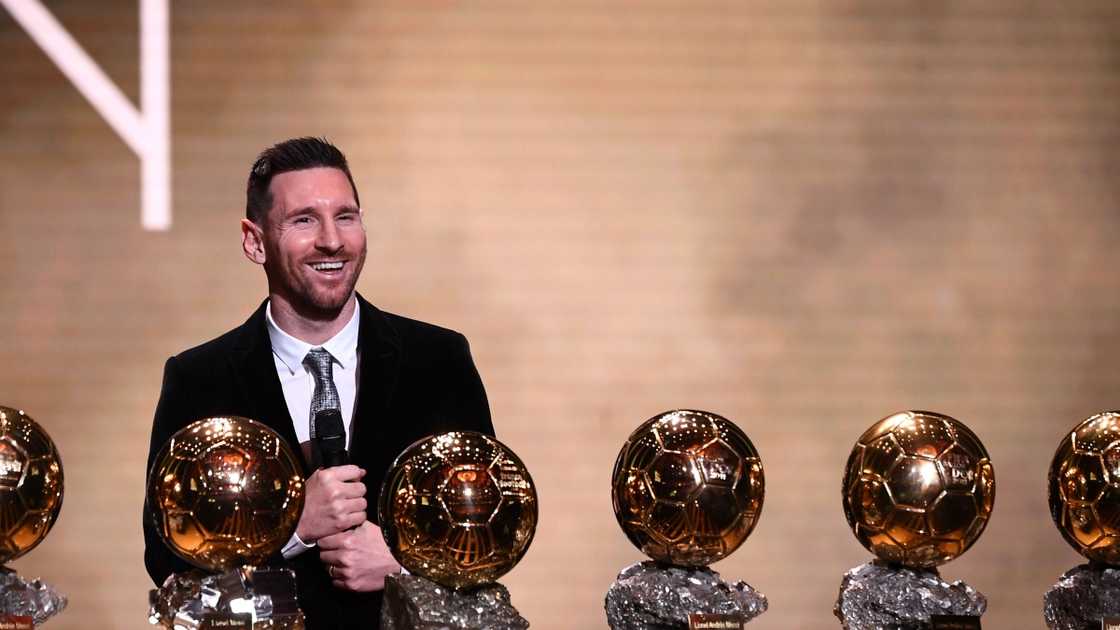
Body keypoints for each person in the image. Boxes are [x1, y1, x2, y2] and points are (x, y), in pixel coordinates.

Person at [143, 137, 494, 629]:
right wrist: (291, 527)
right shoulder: (199, 379)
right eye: (304, 219)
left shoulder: (438, 360)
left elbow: (488, 531)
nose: (332, 240)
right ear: (254, 240)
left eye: (346, 216)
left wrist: (401, 561)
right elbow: (168, 567)